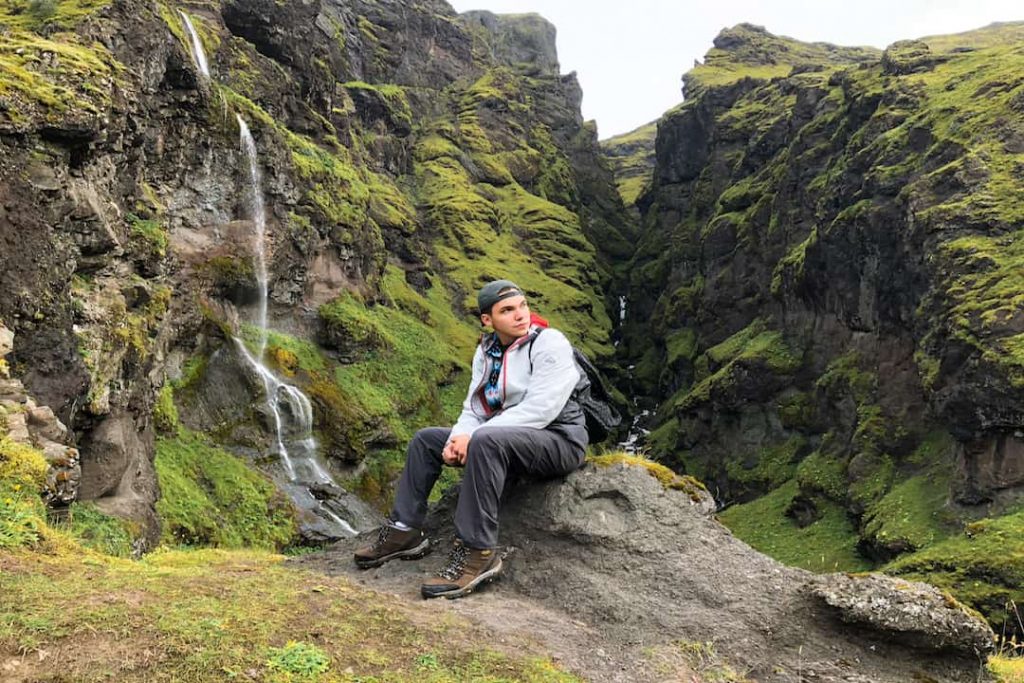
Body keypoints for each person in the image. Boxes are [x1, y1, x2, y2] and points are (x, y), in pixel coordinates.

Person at [354, 278, 588, 599]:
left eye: (523, 306)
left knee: (486, 441)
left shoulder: (549, 343)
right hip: (505, 440)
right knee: (426, 441)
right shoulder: (486, 352)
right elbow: (475, 408)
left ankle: (478, 551)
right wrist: (458, 437)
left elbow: (542, 408)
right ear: (487, 320)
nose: (520, 315)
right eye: (508, 310)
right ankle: (404, 530)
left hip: (559, 440)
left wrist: (474, 437)